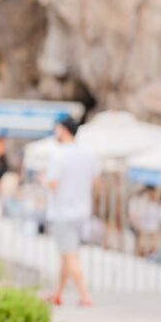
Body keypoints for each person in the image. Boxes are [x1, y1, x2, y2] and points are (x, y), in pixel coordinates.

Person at [45, 116, 99, 307]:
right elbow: (95, 181)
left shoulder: (58, 155)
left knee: (70, 255)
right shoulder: (88, 154)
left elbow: (52, 183)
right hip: (82, 211)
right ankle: (57, 293)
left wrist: (42, 180)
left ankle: (84, 296)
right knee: (68, 255)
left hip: (63, 212)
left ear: (64, 130)